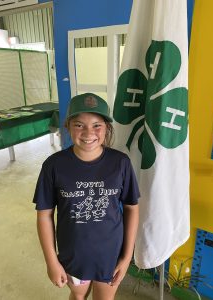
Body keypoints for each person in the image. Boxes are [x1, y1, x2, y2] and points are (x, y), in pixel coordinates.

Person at [33, 93, 140, 300]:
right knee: (78, 295)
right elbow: (44, 215)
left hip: (110, 254)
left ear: (107, 128)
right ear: (68, 126)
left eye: (97, 125)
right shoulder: (53, 165)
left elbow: (131, 208)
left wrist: (126, 258)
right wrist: (51, 261)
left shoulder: (120, 163)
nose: (88, 132)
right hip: (74, 255)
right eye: (79, 125)